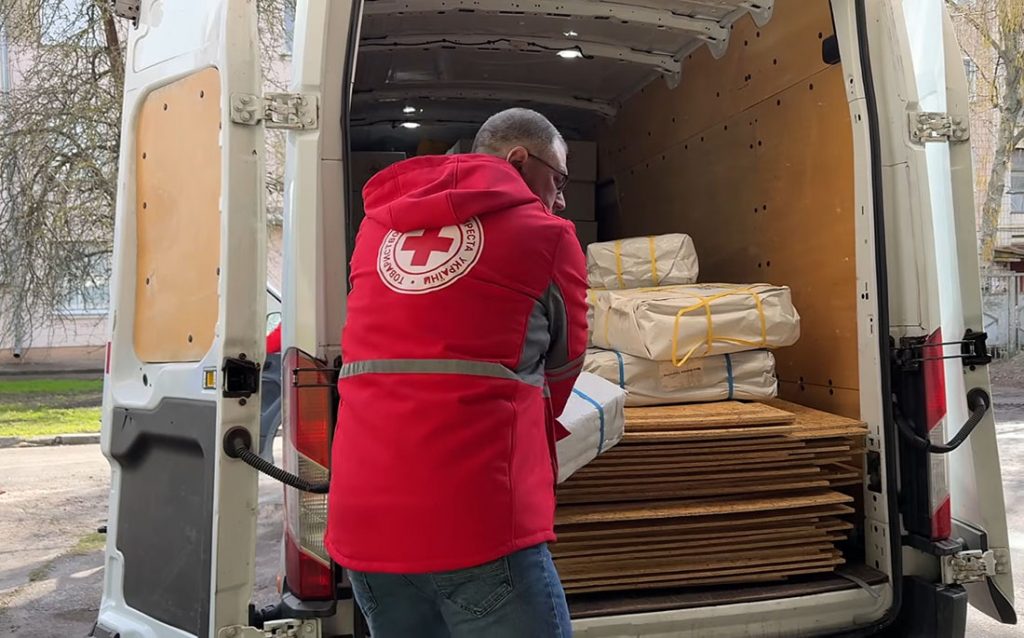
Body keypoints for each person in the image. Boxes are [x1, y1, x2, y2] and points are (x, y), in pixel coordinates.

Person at [324, 108, 589, 637]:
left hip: (364, 524)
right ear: (519, 159)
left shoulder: (378, 229)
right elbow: (562, 370)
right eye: (558, 180)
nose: (560, 198)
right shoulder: (547, 236)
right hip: (476, 522)